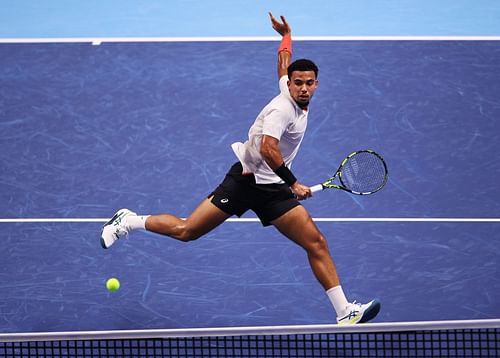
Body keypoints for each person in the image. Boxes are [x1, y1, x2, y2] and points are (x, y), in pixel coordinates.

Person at [101, 13, 380, 325]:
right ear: (290, 84)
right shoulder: (281, 110)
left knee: (316, 242)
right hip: (245, 182)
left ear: (316, 83)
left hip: (272, 190)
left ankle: (344, 311)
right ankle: (129, 221)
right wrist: (295, 183)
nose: (302, 88)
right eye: (297, 83)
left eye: (308, 83)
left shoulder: (292, 91)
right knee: (186, 231)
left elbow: (282, 63)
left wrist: (286, 36)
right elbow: (268, 148)